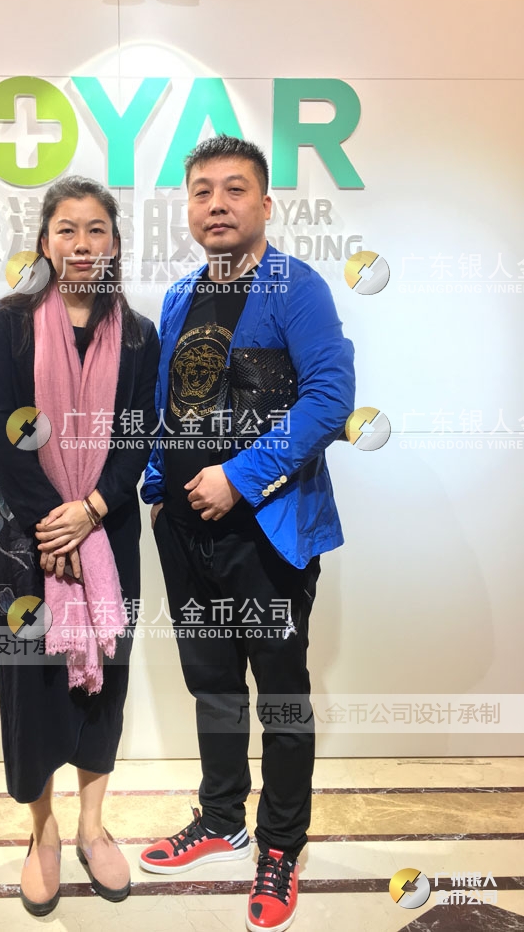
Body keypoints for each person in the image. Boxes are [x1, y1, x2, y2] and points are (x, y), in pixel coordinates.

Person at [139, 136, 355, 932]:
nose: (217, 204)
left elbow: (330, 397)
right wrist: (158, 491)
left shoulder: (297, 287)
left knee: (282, 693)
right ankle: (222, 815)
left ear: (265, 205)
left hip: (267, 530)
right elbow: (169, 404)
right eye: (202, 191)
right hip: (185, 533)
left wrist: (238, 475)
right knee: (213, 683)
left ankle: (280, 844)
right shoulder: (179, 296)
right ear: (188, 208)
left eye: (234, 189)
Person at [0, 176, 159, 916]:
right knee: (32, 684)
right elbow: (0, 430)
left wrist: (91, 509)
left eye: (96, 230)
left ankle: (92, 825)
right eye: (67, 230)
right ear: (45, 241)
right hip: (25, 538)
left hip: (107, 530)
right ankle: (42, 832)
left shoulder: (139, 335)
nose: (82, 244)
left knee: (105, 677)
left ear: (114, 242)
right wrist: (53, 520)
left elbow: (138, 432)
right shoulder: (9, 323)